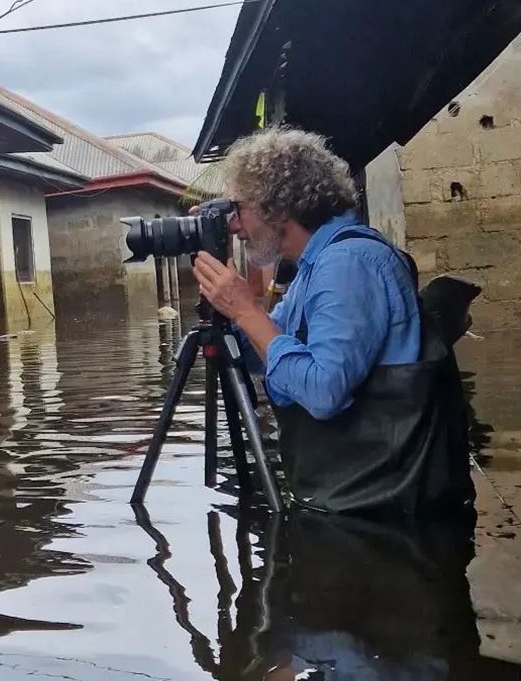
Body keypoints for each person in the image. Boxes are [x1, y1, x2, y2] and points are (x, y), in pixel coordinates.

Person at [192, 128, 472, 516]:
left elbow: (324, 393)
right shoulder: (315, 266)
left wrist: (246, 310)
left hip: (382, 517)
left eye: (238, 209)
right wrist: (229, 310)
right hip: (357, 500)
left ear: (278, 206)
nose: (235, 226)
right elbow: (268, 352)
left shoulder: (348, 264)